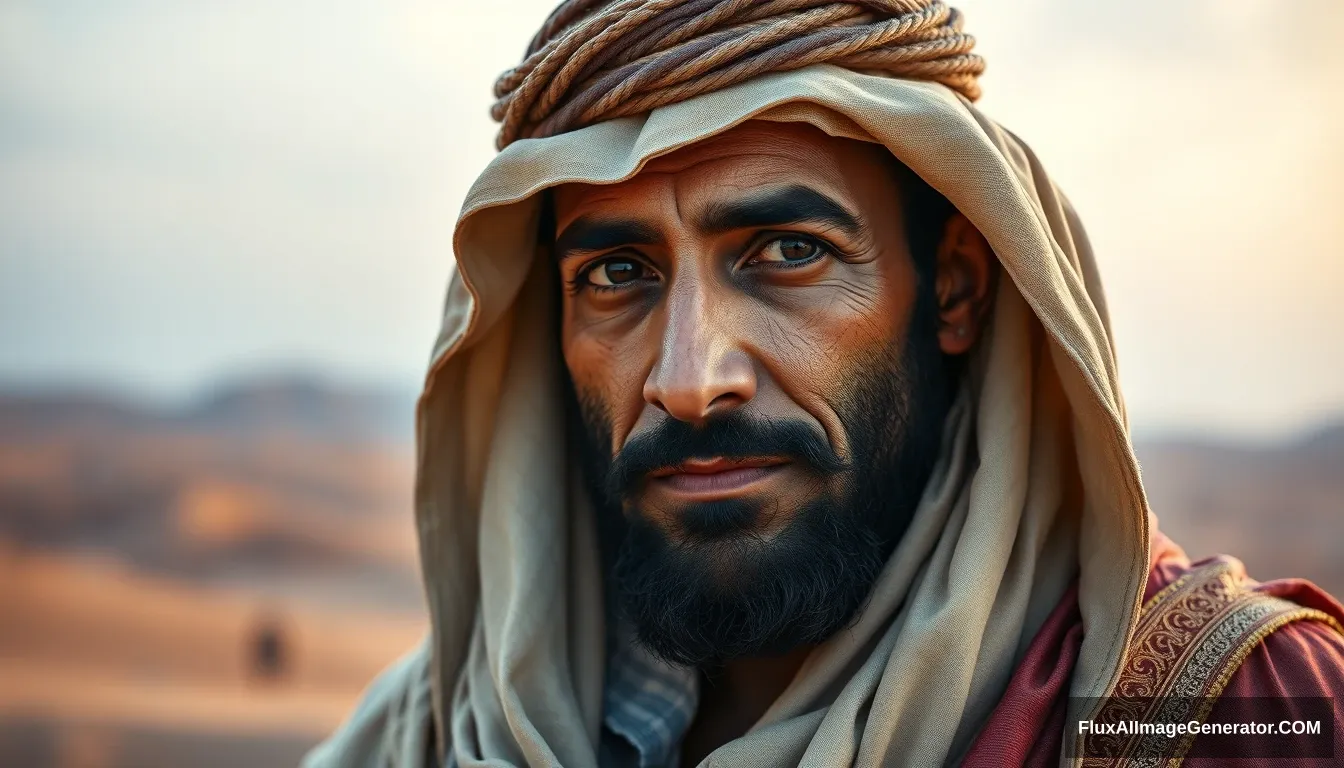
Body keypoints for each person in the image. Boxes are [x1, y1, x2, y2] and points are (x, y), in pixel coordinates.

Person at [304, 2, 1344, 766]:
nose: (688, 380)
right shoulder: (425, 739)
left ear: (954, 292)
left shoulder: (1241, 716)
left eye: (787, 252)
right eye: (617, 274)